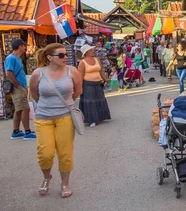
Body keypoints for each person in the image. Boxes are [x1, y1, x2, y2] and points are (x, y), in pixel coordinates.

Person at [29, 43, 83, 198]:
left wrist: (65, 105)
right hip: (43, 118)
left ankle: (65, 183)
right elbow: (34, 94)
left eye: (66, 54)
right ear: (49, 58)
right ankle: (46, 178)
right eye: (61, 55)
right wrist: (48, 107)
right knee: (45, 153)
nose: (65, 58)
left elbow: (78, 91)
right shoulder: (38, 73)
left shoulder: (72, 71)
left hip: (65, 117)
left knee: (65, 153)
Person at [4, 38, 36, 140]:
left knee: (19, 109)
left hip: (20, 86)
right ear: (20, 47)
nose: (25, 47)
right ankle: (27, 132)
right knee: (25, 108)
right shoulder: (11, 58)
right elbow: (9, 73)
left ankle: (16, 131)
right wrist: (18, 86)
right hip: (17, 87)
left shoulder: (17, 58)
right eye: (24, 46)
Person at [77, 44, 111, 127]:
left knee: (100, 99)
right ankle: (91, 119)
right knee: (90, 102)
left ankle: (101, 117)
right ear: (86, 52)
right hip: (88, 84)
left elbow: (101, 71)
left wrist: (106, 79)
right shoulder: (82, 62)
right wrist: (80, 88)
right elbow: (80, 76)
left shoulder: (96, 60)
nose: (93, 51)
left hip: (98, 83)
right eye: (91, 50)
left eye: (92, 50)